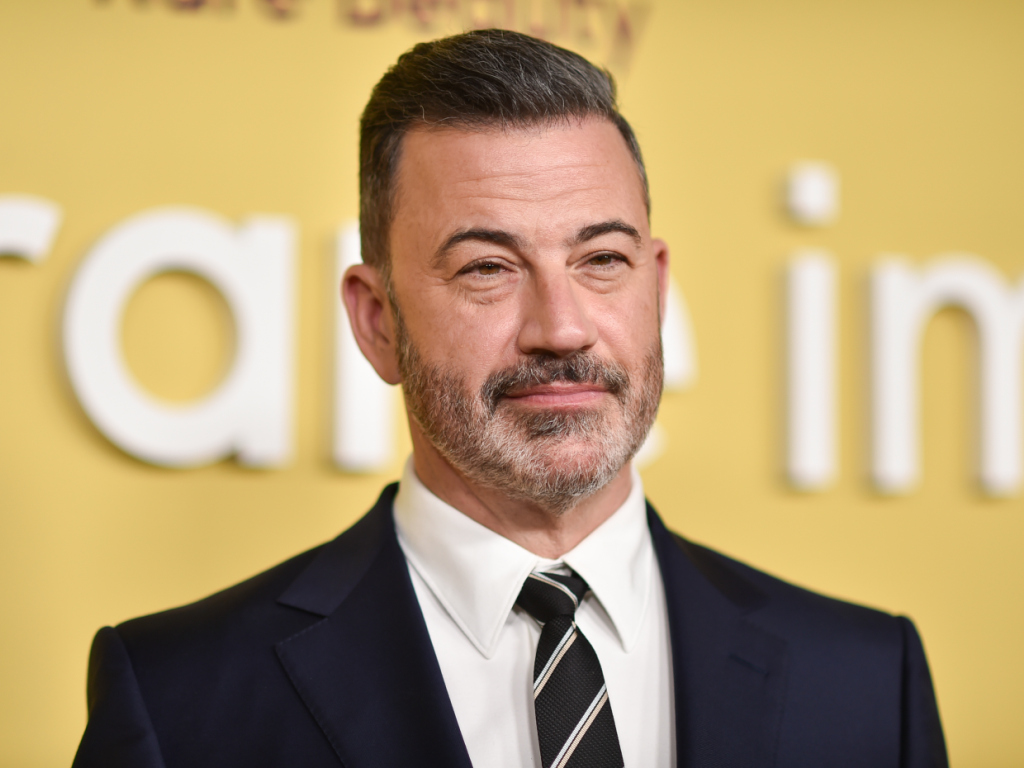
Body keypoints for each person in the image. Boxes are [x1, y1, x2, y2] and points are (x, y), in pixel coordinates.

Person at [72, 29, 947, 768]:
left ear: (656, 287)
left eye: (602, 259)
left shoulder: (869, 682)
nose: (561, 328)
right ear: (377, 322)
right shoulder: (179, 700)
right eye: (488, 267)